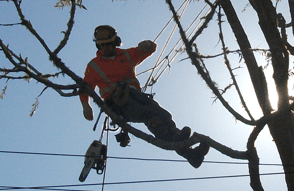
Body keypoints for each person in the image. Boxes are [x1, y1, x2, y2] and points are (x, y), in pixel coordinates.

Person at [80, 25, 210, 168]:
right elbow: (85, 88)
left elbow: (150, 48)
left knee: (164, 115)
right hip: (117, 104)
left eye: (108, 44)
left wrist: (148, 45)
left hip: (136, 95)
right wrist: (86, 106)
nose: (105, 48)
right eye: (102, 45)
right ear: (98, 45)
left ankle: (191, 154)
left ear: (115, 42)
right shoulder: (93, 66)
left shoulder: (126, 55)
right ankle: (175, 141)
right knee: (149, 115)